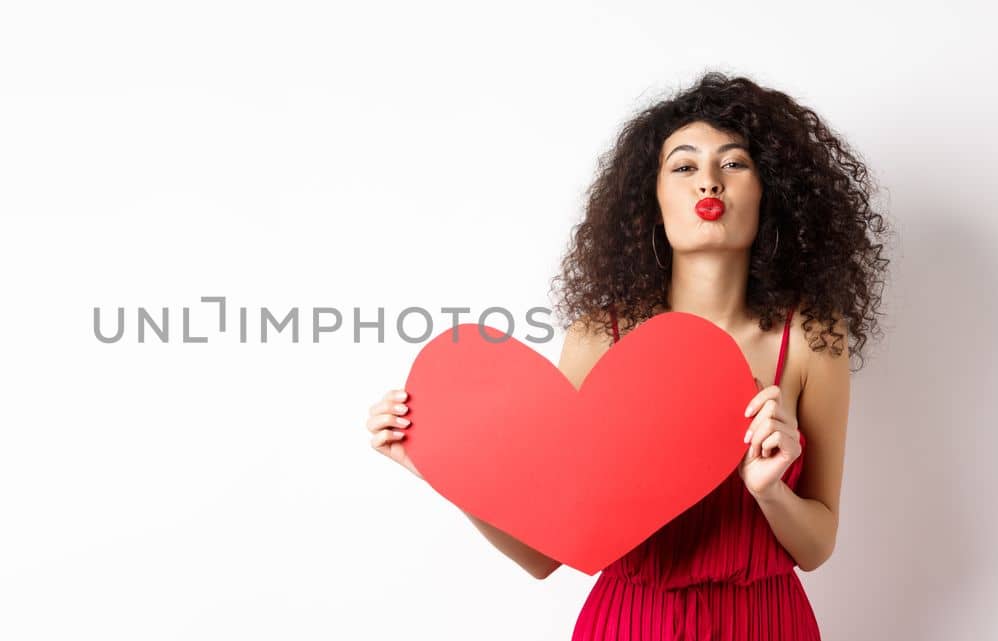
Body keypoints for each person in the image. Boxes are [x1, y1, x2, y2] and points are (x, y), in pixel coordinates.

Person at [364, 72, 891, 640]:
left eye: (734, 164)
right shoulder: (599, 338)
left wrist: (769, 491)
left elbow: (817, 546)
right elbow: (546, 557)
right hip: (630, 624)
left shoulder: (811, 339)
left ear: (773, 191)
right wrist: (443, 470)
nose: (708, 184)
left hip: (767, 624)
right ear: (653, 198)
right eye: (684, 167)